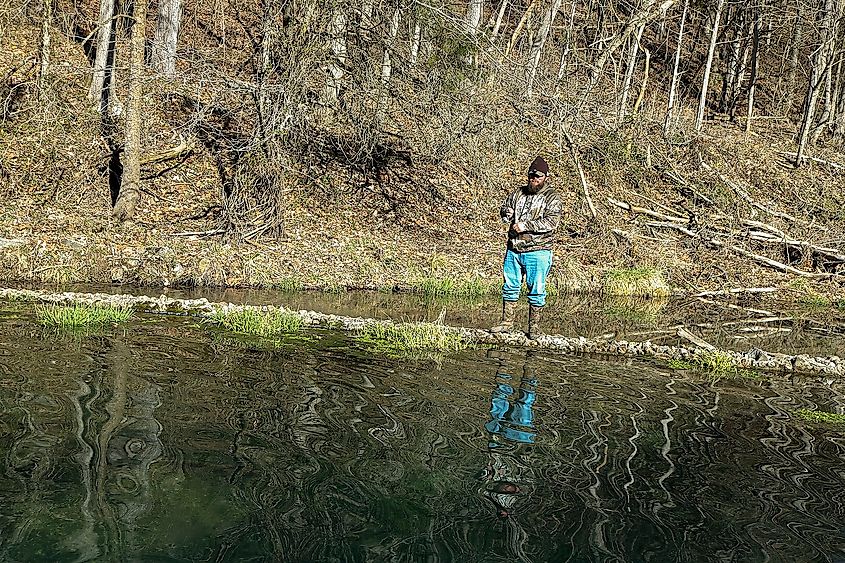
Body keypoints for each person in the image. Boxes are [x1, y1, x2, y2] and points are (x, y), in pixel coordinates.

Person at [491, 156, 562, 339]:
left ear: (545, 177)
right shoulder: (518, 193)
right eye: (531, 175)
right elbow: (504, 209)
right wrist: (507, 213)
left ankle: (534, 328)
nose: (533, 179)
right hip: (514, 248)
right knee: (510, 285)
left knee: (536, 289)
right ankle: (507, 323)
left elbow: (552, 222)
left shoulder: (551, 197)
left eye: (537, 176)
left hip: (538, 250)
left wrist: (525, 225)